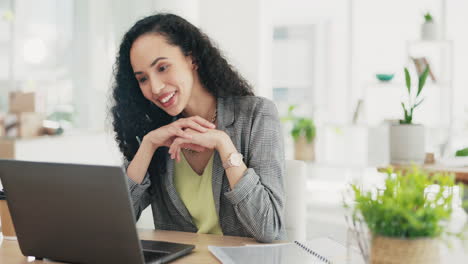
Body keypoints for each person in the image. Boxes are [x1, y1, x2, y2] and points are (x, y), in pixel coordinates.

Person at [110, 13, 285, 243]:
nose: (155, 87)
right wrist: (148, 146)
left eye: (162, 67)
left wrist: (224, 146)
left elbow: (268, 227)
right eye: (142, 79)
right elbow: (114, 223)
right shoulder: (155, 131)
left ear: (191, 59)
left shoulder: (256, 115)